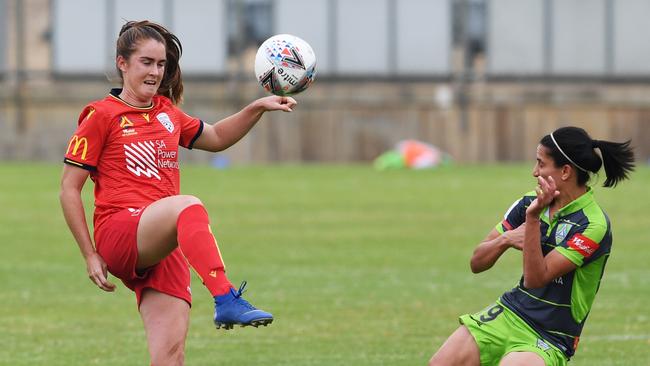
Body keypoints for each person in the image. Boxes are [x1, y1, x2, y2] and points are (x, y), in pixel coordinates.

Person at [59, 20, 297, 365]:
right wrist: (89, 254)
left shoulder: (166, 112)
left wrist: (256, 107)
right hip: (120, 231)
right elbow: (69, 189)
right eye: (146, 62)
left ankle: (224, 302)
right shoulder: (101, 115)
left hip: (163, 241)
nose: (156, 72)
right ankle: (226, 297)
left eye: (161, 64)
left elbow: (215, 138)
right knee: (188, 205)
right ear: (122, 63)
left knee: (170, 357)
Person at [429, 126, 634, 366]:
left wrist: (533, 220)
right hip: (511, 310)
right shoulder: (528, 202)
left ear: (565, 171)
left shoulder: (593, 224)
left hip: (551, 334)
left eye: (541, 164)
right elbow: (477, 262)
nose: (534, 172)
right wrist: (506, 239)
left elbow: (536, 279)